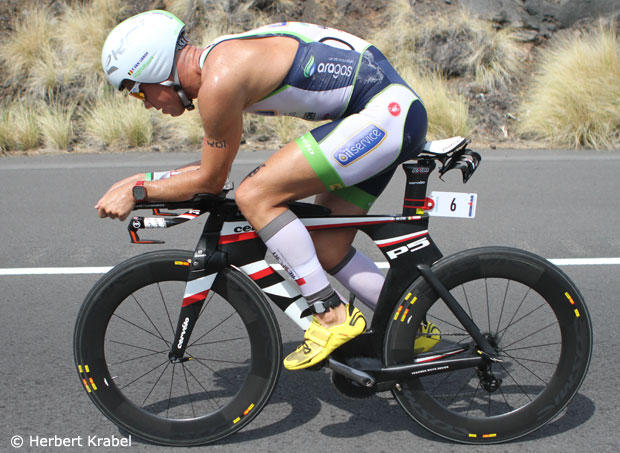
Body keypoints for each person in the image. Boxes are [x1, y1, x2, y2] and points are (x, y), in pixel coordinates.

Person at [96, 10, 428, 370]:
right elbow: (210, 168)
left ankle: (331, 315)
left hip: (383, 116)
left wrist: (140, 190)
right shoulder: (221, 61)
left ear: (155, 69)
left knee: (255, 195)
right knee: (326, 245)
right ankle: (411, 326)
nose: (146, 103)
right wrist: (142, 180)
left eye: (138, 91)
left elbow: (210, 180)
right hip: (390, 113)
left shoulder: (219, 81)